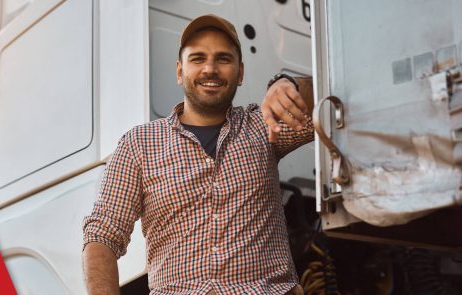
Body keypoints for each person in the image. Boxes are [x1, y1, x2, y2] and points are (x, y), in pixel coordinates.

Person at [82, 14, 314, 295]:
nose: (210, 69)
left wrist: (287, 82)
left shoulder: (263, 126)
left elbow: (327, 103)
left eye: (223, 59)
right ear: (180, 71)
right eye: (198, 58)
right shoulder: (139, 144)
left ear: (240, 73)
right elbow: (102, 236)